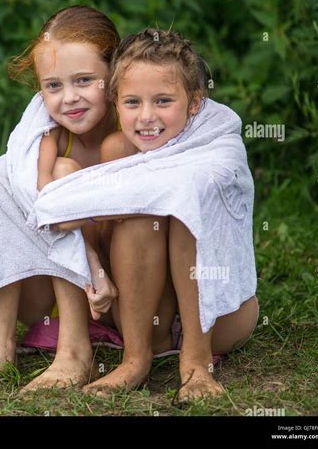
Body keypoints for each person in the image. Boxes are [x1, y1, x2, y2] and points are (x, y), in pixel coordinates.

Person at [55, 29, 260, 403]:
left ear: (195, 102)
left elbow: (216, 224)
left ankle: (197, 362)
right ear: (116, 102)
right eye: (132, 102)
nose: (147, 117)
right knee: (137, 217)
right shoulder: (119, 148)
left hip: (222, 318)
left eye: (163, 101)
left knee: (190, 205)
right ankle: (136, 359)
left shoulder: (217, 144)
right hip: (150, 319)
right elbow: (69, 214)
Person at [0, 5, 122, 396]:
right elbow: (43, 205)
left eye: (84, 80)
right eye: (53, 86)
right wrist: (90, 264)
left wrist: (100, 267)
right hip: (52, 296)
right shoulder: (48, 138)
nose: (69, 99)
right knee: (6, 178)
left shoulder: (135, 128)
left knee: (63, 180)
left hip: (121, 291)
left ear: (115, 73)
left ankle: (76, 351)